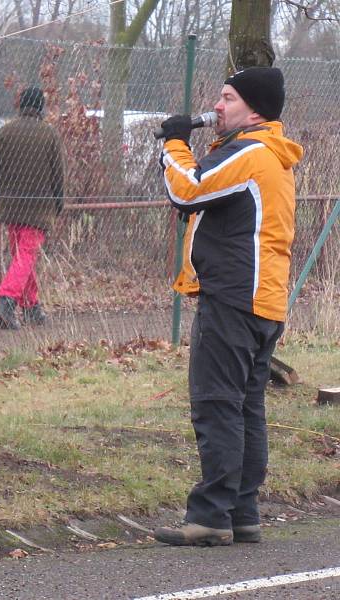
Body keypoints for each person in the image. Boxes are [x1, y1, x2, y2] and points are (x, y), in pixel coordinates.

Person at [153, 67, 303, 546]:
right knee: (245, 407)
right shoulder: (267, 155)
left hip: (235, 298)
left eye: (227, 98)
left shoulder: (253, 153)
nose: (217, 106)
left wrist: (174, 144)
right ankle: (242, 512)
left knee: (217, 404)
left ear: (254, 109)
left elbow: (188, 189)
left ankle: (211, 517)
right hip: (263, 300)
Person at [0, 85, 64, 330]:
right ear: (41, 107)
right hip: (39, 209)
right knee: (25, 258)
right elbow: (57, 175)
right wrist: (58, 204)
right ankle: (8, 301)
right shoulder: (49, 134)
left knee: (22, 258)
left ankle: (32, 307)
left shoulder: (5, 132)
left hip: (10, 206)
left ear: (21, 106)